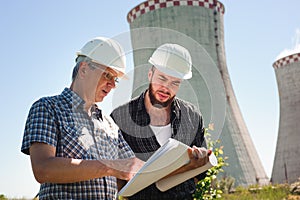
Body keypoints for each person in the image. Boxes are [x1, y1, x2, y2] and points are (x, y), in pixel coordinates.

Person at [21, 37, 144, 199]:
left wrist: (182, 166)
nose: (112, 85)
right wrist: (110, 166)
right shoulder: (47, 108)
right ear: (84, 69)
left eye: (115, 79)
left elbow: (129, 174)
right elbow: (43, 168)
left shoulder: (110, 126)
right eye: (107, 75)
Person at [111, 43, 210, 200]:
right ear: (150, 74)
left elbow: (202, 171)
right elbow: (116, 178)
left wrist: (200, 160)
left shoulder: (192, 116)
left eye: (174, 83)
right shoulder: (120, 117)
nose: (166, 88)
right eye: (162, 78)